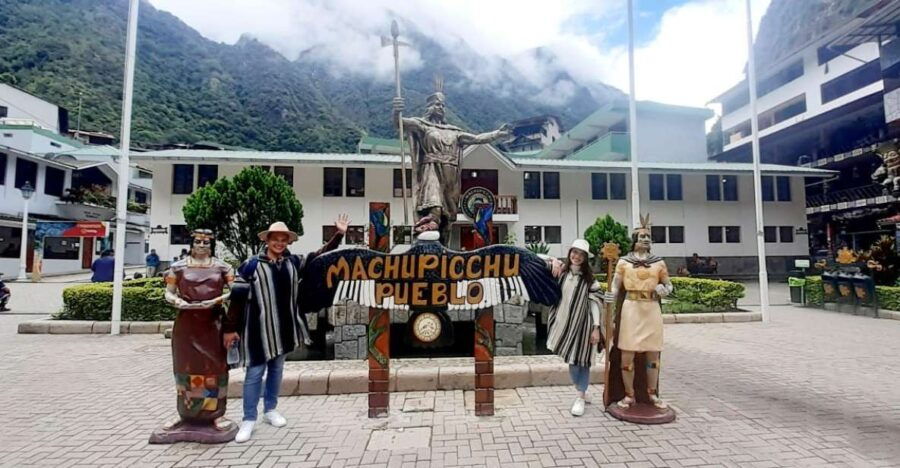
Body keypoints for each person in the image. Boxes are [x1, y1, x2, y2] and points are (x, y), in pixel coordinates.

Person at [224, 215, 349, 443]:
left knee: (276, 370)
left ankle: (270, 409)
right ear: (268, 240)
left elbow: (318, 257)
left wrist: (338, 235)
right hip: (257, 330)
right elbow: (237, 298)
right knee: (254, 374)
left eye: (283, 240)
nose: (279, 243)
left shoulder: (293, 263)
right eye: (276, 239)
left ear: (288, 242)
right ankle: (248, 418)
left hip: (284, 328)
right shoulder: (251, 265)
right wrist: (230, 329)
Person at [393, 78, 511, 244]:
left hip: (451, 174)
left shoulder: (454, 131)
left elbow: (477, 138)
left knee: (448, 215)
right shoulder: (423, 126)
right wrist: (396, 112)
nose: (440, 108)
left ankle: (443, 243)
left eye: (442, 105)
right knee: (434, 200)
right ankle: (431, 220)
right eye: (437, 104)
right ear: (429, 107)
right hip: (432, 168)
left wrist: (497, 134)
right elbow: (401, 124)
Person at [150, 229, 236, 443]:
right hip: (186, 326)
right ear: (191, 243)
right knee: (185, 368)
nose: (202, 245)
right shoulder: (177, 268)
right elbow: (168, 292)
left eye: (206, 242)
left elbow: (237, 290)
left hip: (213, 324)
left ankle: (214, 416)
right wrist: (176, 301)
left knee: (214, 369)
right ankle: (186, 414)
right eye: (198, 241)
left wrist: (217, 300)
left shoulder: (223, 267)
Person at [605, 214, 673, 410]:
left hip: (651, 308)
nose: (645, 239)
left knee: (653, 354)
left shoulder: (659, 263)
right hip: (631, 309)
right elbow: (616, 286)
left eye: (648, 237)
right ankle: (629, 395)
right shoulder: (623, 262)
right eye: (642, 236)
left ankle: (652, 393)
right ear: (634, 240)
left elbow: (669, 285)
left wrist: (664, 290)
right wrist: (610, 295)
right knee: (627, 354)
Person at [545, 239, 603, 416]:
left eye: (581, 254)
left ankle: (580, 395)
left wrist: (596, 327)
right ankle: (582, 391)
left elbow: (595, 304)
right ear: (570, 253)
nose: (576, 257)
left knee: (582, 360)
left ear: (585, 258)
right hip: (564, 324)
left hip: (583, 325)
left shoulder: (590, 280)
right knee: (571, 360)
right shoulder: (561, 272)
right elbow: (536, 259)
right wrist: (552, 260)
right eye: (574, 252)